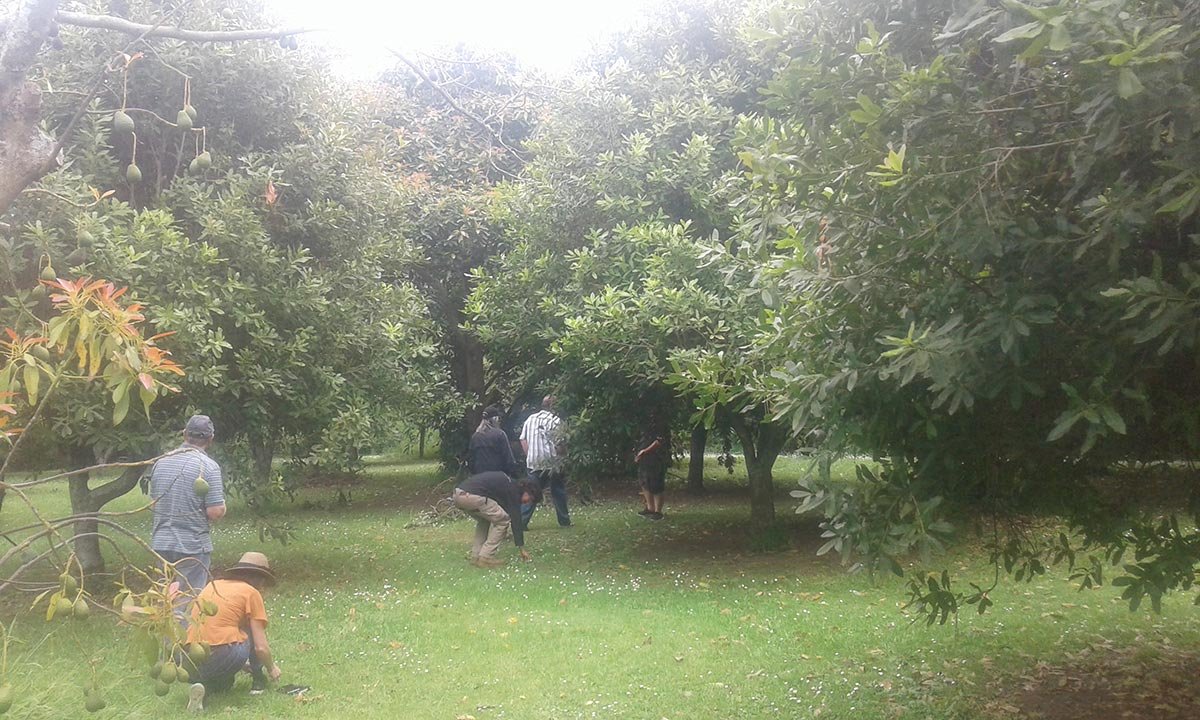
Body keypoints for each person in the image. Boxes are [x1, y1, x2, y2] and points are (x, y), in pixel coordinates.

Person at [182, 552, 282, 713]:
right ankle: (258, 681)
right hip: (223, 654)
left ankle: (203, 687)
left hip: (188, 658)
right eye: (263, 581)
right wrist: (271, 668)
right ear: (258, 578)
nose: (263, 587)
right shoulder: (251, 592)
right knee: (250, 627)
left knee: (225, 685)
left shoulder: (212, 585)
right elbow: (260, 647)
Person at [149, 415, 226, 602]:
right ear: (210, 439)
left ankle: (165, 631)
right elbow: (214, 512)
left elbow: (154, 503)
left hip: (161, 542)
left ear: (184, 434)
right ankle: (183, 632)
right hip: (192, 544)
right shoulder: (208, 467)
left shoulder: (161, 463)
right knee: (187, 600)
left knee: (165, 599)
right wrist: (223, 507)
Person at [453, 471, 541, 567]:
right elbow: (516, 520)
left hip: (458, 495)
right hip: (472, 496)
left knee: (484, 520)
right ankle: (485, 557)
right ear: (526, 490)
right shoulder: (513, 490)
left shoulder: (508, 484)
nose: (527, 502)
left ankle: (476, 556)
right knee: (503, 521)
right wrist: (522, 549)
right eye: (530, 499)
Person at [520, 395, 570, 529]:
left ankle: (522, 522)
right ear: (553, 407)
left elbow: (523, 439)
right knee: (558, 491)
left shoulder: (530, 419)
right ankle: (564, 521)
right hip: (552, 462)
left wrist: (529, 454)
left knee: (531, 492)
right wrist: (562, 457)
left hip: (533, 462)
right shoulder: (556, 421)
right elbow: (560, 443)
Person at [467, 404, 518, 477]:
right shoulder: (500, 434)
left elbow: (471, 460)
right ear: (494, 419)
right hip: (497, 477)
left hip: (479, 477)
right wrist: (513, 474)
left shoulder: (475, 436)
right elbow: (509, 459)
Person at [635, 430, 671, 521]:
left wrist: (644, 451)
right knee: (644, 482)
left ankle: (658, 511)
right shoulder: (645, 424)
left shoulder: (659, 423)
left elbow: (659, 442)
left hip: (656, 460)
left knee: (656, 485)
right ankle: (650, 508)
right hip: (645, 461)